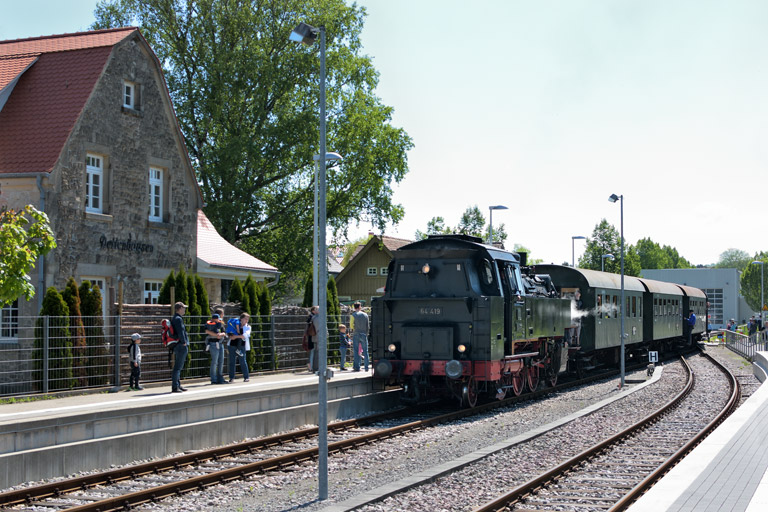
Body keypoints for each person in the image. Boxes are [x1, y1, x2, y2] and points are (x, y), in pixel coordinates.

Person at [170, 301, 189, 393]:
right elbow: (181, 331)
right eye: (184, 308)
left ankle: (178, 385)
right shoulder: (178, 319)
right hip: (181, 345)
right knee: (178, 367)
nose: (185, 310)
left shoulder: (175, 318)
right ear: (180, 309)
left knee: (178, 367)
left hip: (177, 345)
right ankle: (175, 387)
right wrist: (184, 342)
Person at [205, 310, 227, 384]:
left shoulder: (221, 323)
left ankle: (220, 377)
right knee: (214, 361)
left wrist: (221, 334)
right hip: (213, 343)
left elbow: (224, 332)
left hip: (220, 343)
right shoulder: (209, 324)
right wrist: (216, 335)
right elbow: (207, 331)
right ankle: (213, 379)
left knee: (221, 361)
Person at [227, 313, 250, 382]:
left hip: (241, 346)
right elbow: (229, 332)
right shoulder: (235, 324)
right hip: (232, 345)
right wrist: (230, 336)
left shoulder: (248, 327)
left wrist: (236, 336)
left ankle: (246, 377)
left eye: (247, 319)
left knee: (242, 361)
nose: (246, 320)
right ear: (241, 319)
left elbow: (245, 335)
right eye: (245, 318)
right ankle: (231, 378)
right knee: (232, 361)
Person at [351, 302, 369, 372]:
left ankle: (357, 367)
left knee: (356, 351)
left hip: (356, 333)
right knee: (365, 351)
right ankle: (366, 367)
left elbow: (351, 325)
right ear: (360, 307)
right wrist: (366, 333)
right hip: (364, 333)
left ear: (354, 307)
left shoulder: (353, 315)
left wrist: (354, 329)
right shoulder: (365, 315)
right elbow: (367, 326)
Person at [306, 306, 318, 372]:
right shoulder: (313, 317)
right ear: (313, 311)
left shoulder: (311, 317)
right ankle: (311, 366)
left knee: (312, 351)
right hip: (313, 336)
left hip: (311, 336)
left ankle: (310, 366)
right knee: (313, 351)